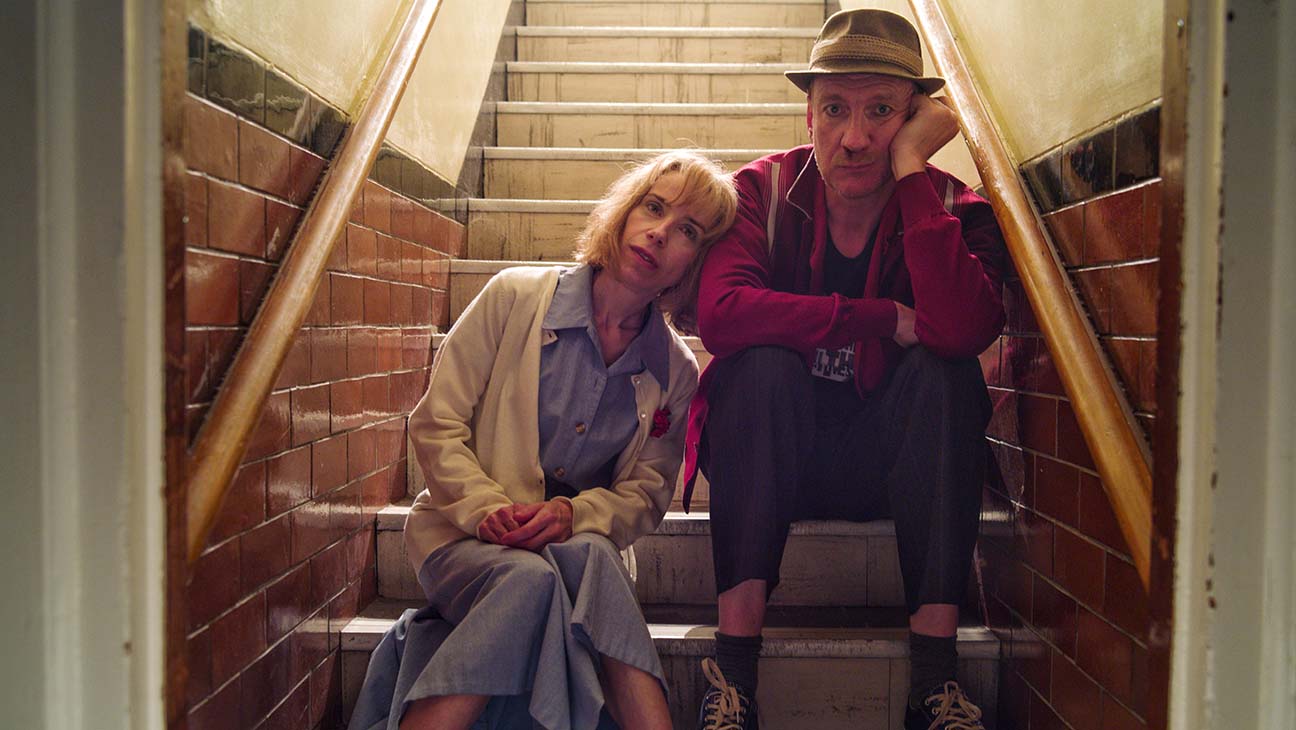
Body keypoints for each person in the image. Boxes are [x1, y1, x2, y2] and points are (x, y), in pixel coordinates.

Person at [682, 9, 1007, 730]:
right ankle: (732, 678)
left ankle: (934, 685)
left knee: (946, 375)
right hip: (774, 453)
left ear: (915, 119)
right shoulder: (759, 193)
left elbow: (961, 329)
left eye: (881, 112)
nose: (854, 137)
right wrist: (879, 317)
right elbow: (723, 316)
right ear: (809, 114)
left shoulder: (956, 209)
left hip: (895, 464)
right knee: (757, 367)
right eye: (834, 109)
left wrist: (914, 174)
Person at [346, 150, 737, 730]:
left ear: (694, 261)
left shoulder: (675, 370)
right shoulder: (514, 298)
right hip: (461, 537)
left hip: (581, 554)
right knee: (526, 576)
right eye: (653, 208)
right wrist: (488, 512)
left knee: (594, 556)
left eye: (686, 230)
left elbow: (645, 495)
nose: (659, 233)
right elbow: (437, 425)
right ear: (625, 213)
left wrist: (570, 513)